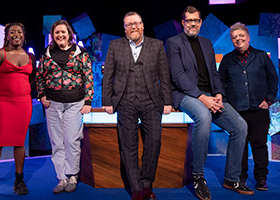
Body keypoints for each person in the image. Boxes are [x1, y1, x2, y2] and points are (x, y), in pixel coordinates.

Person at [166, 6, 255, 200]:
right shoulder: (173, 42)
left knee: (240, 126)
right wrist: (202, 97)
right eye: (189, 20)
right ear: (183, 23)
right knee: (204, 116)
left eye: (196, 20)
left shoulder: (206, 43)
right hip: (185, 94)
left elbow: (214, 74)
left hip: (209, 94)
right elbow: (178, 76)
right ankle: (198, 176)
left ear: (200, 22)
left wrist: (218, 94)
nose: (193, 24)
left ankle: (231, 178)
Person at [102, 11, 172, 200]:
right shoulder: (115, 45)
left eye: (136, 23)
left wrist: (167, 101)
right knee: (128, 145)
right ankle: (136, 188)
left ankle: (146, 183)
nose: (133, 27)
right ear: (124, 29)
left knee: (154, 142)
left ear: (142, 25)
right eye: (129, 24)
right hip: (125, 101)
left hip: (151, 100)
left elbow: (165, 76)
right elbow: (108, 75)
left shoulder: (157, 45)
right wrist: (107, 101)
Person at [36, 20, 94, 194]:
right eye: (57, 33)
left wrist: (88, 102)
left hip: (74, 103)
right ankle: (61, 177)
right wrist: (41, 96)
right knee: (57, 142)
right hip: (53, 104)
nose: (60, 35)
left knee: (71, 140)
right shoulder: (46, 53)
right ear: (52, 36)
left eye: (63, 32)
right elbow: (39, 77)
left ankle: (73, 176)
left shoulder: (80, 53)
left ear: (69, 34)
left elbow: (88, 77)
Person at [219, 22, 278, 191]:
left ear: (248, 37)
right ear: (232, 40)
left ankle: (261, 178)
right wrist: (225, 102)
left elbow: (273, 79)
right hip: (237, 111)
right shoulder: (227, 60)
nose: (238, 39)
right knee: (241, 146)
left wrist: (269, 99)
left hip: (260, 109)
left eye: (241, 36)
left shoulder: (261, 56)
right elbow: (220, 83)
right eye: (234, 37)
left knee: (259, 144)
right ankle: (240, 178)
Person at [0, 22, 36, 198]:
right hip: (3, 103)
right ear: (7, 35)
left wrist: (23, 93)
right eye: (12, 32)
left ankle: (19, 181)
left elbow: (32, 79)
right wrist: (0, 93)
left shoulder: (30, 57)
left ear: (23, 35)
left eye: (19, 31)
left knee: (19, 142)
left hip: (23, 104)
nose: (16, 34)